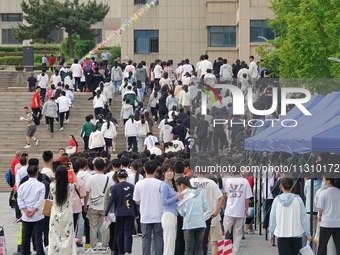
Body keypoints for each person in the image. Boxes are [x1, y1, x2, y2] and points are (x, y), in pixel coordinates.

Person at [269, 176, 312, 255]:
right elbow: (303, 218)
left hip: (281, 233)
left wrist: (271, 233)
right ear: (292, 186)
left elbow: (272, 218)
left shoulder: (276, 200)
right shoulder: (298, 200)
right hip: (297, 234)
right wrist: (308, 233)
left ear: (281, 186)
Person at [133, 160, 164, 255]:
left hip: (145, 215)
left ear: (144, 169)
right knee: (158, 238)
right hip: (158, 215)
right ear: (156, 170)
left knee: (145, 238)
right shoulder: (161, 184)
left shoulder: (139, 184)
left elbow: (136, 200)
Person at [104, 169, 137, 255]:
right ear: (126, 176)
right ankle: (127, 250)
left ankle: (121, 250)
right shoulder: (131, 186)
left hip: (119, 212)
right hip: (130, 212)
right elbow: (134, 201)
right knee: (128, 232)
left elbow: (110, 201)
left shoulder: (114, 187)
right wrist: (136, 213)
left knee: (119, 232)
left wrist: (105, 213)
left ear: (117, 177)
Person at [48, 165, 77, 255]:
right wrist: (71, 170)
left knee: (54, 236)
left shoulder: (52, 185)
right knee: (68, 236)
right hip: (67, 214)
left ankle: (54, 252)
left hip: (55, 213)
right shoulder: (70, 186)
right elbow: (76, 182)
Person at [223, 168, 253, 255]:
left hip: (229, 211)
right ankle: (235, 252)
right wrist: (246, 209)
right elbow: (247, 198)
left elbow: (224, 195)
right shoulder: (245, 181)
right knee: (238, 234)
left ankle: (226, 251)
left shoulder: (227, 181)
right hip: (240, 211)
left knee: (226, 232)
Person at [17, 165, 45, 255]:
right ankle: (40, 253)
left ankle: (25, 253)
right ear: (37, 173)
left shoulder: (22, 186)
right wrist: (33, 210)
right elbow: (40, 201)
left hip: (26, 216)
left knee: (26, 237)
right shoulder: (41, 185)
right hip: (37, 215)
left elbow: (19, 200)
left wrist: (25, 210)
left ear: (27, 174)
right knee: (38, 237)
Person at [84, 158, 110, 252]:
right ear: (104, 167)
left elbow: (87, 193)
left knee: (93, 227)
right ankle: (104, 245)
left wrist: (86, 204)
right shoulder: (108, 178)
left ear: (94, 167)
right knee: (105, 226)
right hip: (105, 206)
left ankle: (93, 246)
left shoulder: (90, 178)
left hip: (93, 205)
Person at [176, 176, 207, 255]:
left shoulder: (183, 195)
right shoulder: (200, 192)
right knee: (199, 248)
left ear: (182, 185)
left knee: (188, 249)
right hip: (201, 223)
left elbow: (182, 213)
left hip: (189, 224)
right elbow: (205, 208)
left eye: (177, 186)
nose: (177, 188)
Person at [160, 164, 183, 255]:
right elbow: (164, 202)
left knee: (171, 242)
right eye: (167, 171)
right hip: (168, 214)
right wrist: (176, 196)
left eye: (171, 171)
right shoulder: (164, 186)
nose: (170, 173)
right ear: (163, 173)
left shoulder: (170, 185)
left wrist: (179, 197)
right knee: (169, 243)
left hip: (173, 214)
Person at [317, 177, 340, 255]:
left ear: (328, 181)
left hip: (326, 223)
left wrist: (320, 215)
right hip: (338, 223)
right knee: (338, 246)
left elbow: (320, 209)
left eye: (324, 180)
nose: (323, 181)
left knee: (322, 247)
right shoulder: (339, 192)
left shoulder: (323, 193)